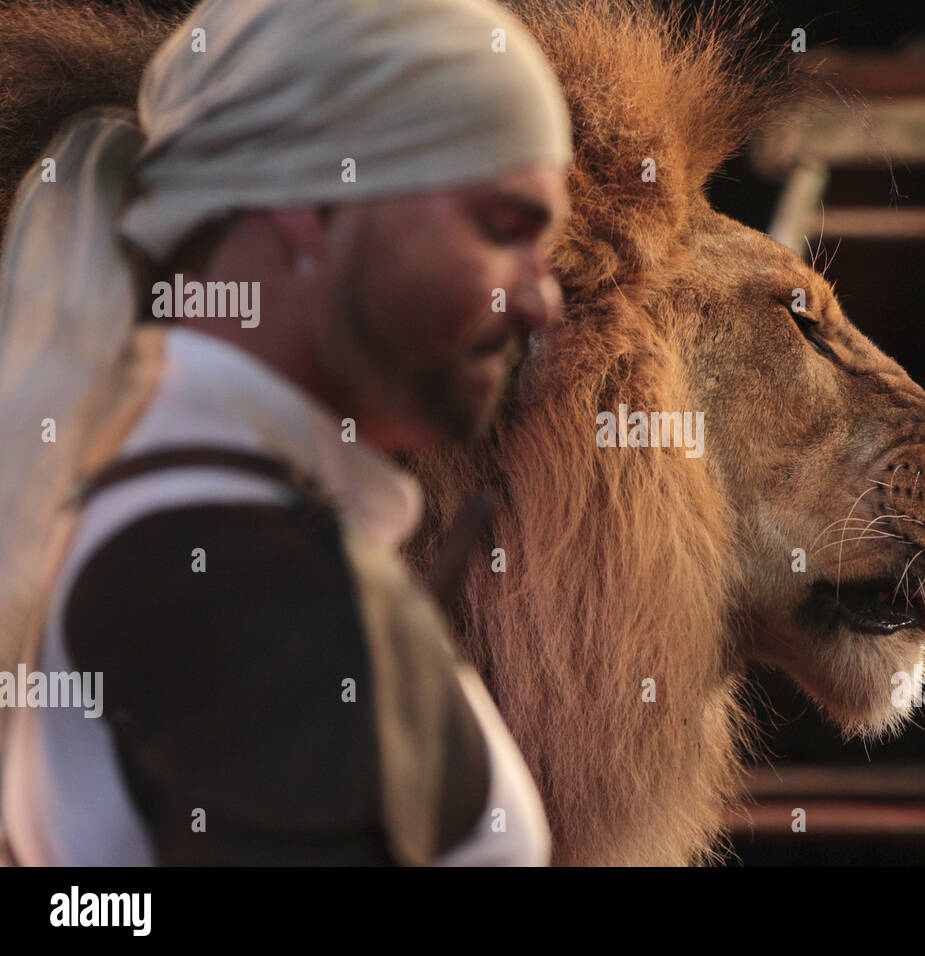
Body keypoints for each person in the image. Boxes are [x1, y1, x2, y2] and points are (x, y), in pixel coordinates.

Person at [0, 0, 571, 865]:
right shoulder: (232, 574)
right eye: (501, 228)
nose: (542, 300)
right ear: (310, 201)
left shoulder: (188, 521)